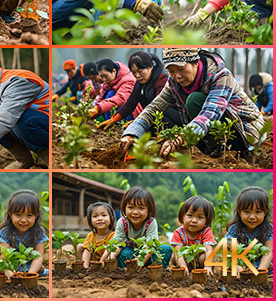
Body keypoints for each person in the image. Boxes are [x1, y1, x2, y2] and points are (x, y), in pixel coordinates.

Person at [120, 48, 265, 160]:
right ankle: (215, 150)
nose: (177, 76)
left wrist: (180, 138)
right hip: (217, 129)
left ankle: (231, 151)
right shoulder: (173, 83)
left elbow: (210, 113)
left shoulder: (221, 76)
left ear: (196, 63)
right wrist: (132, 133)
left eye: (182, 69)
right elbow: (153, 108)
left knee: (194, 100)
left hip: (247, 128)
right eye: (171, 71)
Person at [98, 52, 177, 130]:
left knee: (160, 111)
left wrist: (138, 122)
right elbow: (130, 104)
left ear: (150, 67)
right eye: (134, 72)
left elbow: (158, 106)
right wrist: (114, 119)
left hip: (171, 117)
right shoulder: (140, 83)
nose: (137, 76)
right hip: (152, 116)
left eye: (140, 71)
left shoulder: (162, 79)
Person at [112, 186, 173, 268]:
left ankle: (156, 272)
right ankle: (127, 274)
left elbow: (150, 246)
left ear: (149, 210)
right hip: (131, 255)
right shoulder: (123, 222)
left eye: (141, 208)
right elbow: (117, 243)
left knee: (166, 249)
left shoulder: (151, 222)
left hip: (149, 255)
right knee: (124, 253)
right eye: (130, 207)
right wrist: (109, 257)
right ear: (124, 208)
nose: (135, 212)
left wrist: (141, 261)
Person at [0, 190, 48, 277]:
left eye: (29, 215)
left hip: (31, 266)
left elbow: (38, 256)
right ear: (10, 214)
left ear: (36, 215)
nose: (23, 220)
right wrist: (10, 273)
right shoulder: (5, 232)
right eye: (18, 215)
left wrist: (30, 274)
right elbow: (5, 256)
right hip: (12, 265)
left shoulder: (39, 232)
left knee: (40, 269)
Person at [224, 186, 272, 271]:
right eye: (247, 212)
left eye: (258, 212)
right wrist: (240, 270)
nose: (252, 217)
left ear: (265, 212)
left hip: (263, 266)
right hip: (241, 266)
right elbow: (235, 253)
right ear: (239, 212)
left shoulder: (268, 229)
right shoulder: (234, 230)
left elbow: (268, 252)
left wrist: (260, 272)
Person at [171, 196, 216, 276]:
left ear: (206, 220)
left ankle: (203, 271)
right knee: (174, 257)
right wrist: (183, 266)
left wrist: (208, 266)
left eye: (200, 217)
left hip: (199, 260)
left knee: (204, 257)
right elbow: (178, 251)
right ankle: (186, 270)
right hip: (185, 259)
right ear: (183, 216)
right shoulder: (179, 232)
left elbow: (209, 249)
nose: (194, 220)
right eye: (190, 215)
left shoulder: (206, 231)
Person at [77, 202, 116, 269]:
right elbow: (87, 251)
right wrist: (85, 268)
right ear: (90, 220)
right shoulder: (91, 235)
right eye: (95, 216)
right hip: (93, 261)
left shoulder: (113, 235)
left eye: (104, 215)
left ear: (111, 218)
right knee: (80, 247)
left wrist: (102, 262)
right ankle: (86, 267)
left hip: (107, 262)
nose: (100, 218)